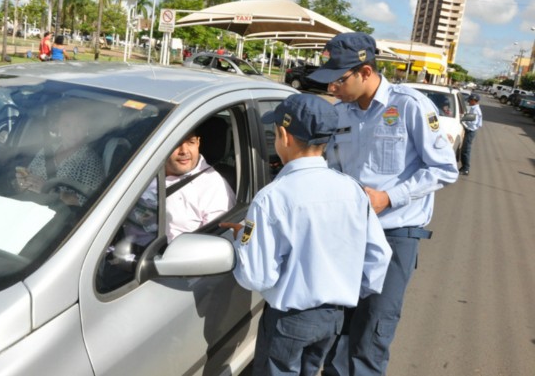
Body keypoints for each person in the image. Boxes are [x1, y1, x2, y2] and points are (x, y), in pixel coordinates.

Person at [308, 32, 459, 376]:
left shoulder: (409, 106)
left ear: (364, 71)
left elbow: (444, 169)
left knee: (373, 330)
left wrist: (388, 197)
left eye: (338, 80)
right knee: (339, 324)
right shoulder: (341, 113)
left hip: (395, 234)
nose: (332, 88)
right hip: (348, 231)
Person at [220, 94, 392, 376]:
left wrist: (244, 243)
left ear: (284, 136)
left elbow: (257, 276)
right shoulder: (352, 190)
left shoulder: (272, 198)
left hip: (289, 320)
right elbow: (379, 256)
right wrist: (344, 290)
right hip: (333, 317)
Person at [125, 130, 236, 245]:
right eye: (176, 143)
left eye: (190, 142)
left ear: (198, 143)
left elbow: (214, 245)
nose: (184, 151)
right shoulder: (140, 169)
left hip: (163, 259)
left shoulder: (213, 187)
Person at [15, 101, 103, 206]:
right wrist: (23, 183)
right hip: (28, 207)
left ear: (87, 128)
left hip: (60, 217)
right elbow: (30, 179)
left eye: (79, 125)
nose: (73, 131)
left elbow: (88, 202)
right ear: (58, 126)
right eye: (67, 125)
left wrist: (51, 191)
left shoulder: (90, 161)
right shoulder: (47, 150)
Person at [459, 93, 483, 175]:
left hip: (470, 131)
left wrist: (462, 121)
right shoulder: (474, 108)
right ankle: (464, 167)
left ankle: (466, 168)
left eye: (470, 100)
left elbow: (472, 123)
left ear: (474, 101)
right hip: (470, 130)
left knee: (466, 150)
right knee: (464, 149)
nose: (468, 101)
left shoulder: (475, 110)